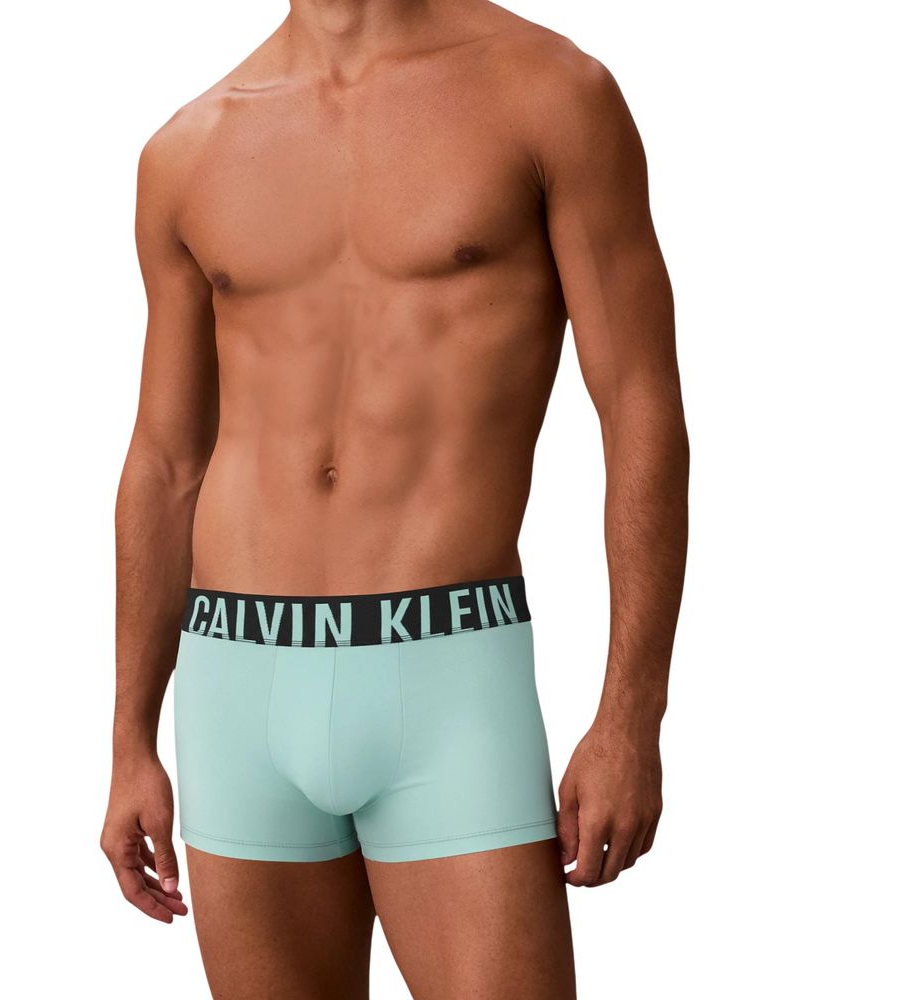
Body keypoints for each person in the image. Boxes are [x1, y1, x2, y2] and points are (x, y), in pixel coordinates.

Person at [99, 1, 689, 996]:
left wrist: (631, 713)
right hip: (236, 679)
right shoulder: (190, 149)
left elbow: (639, 404)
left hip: (449, 672)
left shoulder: (547, 95)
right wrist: (129, 739)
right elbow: (165, 460)